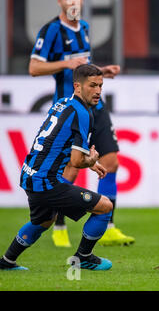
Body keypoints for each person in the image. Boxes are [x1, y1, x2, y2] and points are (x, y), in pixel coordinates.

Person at [28, 0, 134, 247]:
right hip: (71, 110)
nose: (73, 1)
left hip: (95, 107)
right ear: (60, 2)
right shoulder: (52, 30)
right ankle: (59, 225)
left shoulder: (84, 27)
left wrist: (101, 73)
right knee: (72, 167)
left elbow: (83, 68)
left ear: (83, 0)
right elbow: (34, 68)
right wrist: (65, 63)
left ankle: (108, 226)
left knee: (111, 162)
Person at [0, 64, 113, 271]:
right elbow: (77, 160)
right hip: (46, 181)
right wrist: (90, 160)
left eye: (100, 86)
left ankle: (6, 262)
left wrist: (91, 162)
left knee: (43, 220)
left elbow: (60, 142)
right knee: (105, 206)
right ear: (77, 86)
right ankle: (84, 257)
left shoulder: (63, 103)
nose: (97, 91)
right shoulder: (83, 113)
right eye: (92, 86)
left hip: (30, 175)